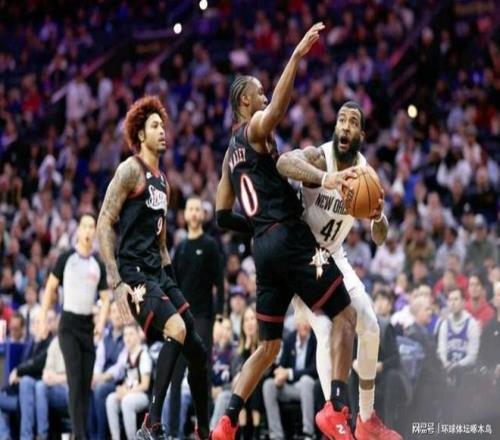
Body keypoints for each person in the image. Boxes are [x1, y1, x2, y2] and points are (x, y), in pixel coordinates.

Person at [212, 23, 357, 440]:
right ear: (245, 100)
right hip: (289, 238)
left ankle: (226, 423)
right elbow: (275, 109)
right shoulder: (254, 128)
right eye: (257, 92)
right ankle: (336, 408)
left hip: (262, 248)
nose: (262, 96)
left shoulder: (228, 156)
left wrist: (257, 228)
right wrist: (295, 56)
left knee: (268, 346)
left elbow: (221, 215)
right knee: (344, 313)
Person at [276, 100, 401, 439]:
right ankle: (334, 414)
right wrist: (325, 179)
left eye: (353, 122)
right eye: (341, 120)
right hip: (302, 258)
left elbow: (379, 237)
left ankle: (366, 419)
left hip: (334, 255)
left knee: (370, 324)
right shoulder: (321, 157)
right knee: (326, 326)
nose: (345, 126)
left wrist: (377, 216)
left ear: (361, 134)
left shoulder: (365, 174)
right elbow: (284, 162)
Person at [96, 95, 209, 440]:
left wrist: (172, 285)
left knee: (198, 351)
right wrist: (116, 282)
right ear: (141, 134)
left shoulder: (164, 183)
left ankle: (205, 430)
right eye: (155, 126)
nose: (163, 131)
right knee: (176, 328)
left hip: (157, 271)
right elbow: (104, 221)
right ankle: (151, 424)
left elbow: (161, 244)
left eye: (163, 126)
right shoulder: (130, 170)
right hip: (133, 273)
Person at [38, 213, 111, 440]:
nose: (88, 230)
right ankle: (80, 436)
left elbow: (106, 298)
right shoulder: (66, 258)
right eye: (85, 226)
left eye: (92, 227)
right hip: (68, 325)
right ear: (78, 231)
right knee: (75, 380)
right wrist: (42, 319)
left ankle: (78, 434)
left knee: (85, 385)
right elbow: (50, 288)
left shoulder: (97, 265)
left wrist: (101, 322)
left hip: (87, 327)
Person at [167, 195, 224, 437]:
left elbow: (220, 284)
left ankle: (205, 429)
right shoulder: (179, 248)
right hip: (180, 319)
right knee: (175, 376)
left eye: (197, 209)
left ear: (203, 214)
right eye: (190, 209)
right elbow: (171, 285)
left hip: (203, 318)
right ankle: (172, 432)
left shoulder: (211, 245)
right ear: (185, 214)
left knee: (202, 374)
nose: (193, 213)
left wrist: (219, 317)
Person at [262, 314, 317, 440]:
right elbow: (282, 365)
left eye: (307, 321)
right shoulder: (289, 339)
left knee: (306, 380)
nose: (305, 325)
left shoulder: (316, 340)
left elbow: (314, 370)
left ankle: (308, 433)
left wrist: (289, 373)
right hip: (291, 388)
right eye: (302, 321)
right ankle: (276, 435)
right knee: (269, 385)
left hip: (308, 389)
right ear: (296, 323)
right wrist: (279, 375)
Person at [105, 323, 152, 440]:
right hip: (130, 392)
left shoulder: (143, 355)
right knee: (111, 399)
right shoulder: (126, 355)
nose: (127, 338)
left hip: (143, 396)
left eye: (131, 334)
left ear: (138, 335)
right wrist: (121, 389)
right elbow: (127, 379)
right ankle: (115, 437)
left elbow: (145, 385)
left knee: (127, 401)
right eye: (125, 334)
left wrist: (127, 392)